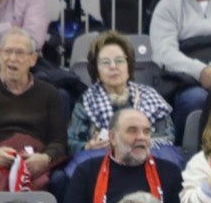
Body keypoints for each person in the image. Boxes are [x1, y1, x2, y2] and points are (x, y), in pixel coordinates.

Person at [0, 28, 69, 193]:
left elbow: (59, 142)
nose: (12, 59)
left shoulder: (49, 94)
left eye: (20, 53)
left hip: (36, 163)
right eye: (8, 52)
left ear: (33, 59)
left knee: (59, 178)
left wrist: (45, 157)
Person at [68, 33, 176, 170]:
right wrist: (89, 146)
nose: (113, 67)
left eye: (119, 60)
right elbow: (71, 142)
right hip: (102, 164)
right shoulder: (87, 102)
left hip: (148, 158)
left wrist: (134, 143)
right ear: (96, 70)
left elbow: (167, 136)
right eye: (105, 62)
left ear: (128, 66)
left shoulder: (149, 96)